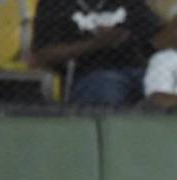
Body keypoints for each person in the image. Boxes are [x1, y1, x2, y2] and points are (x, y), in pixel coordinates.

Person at [30, 0, 161, 105]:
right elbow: (39, 57)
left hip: (138, 70)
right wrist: (96, 43)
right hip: (88, 74)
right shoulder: (55, 4)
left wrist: (175, 30)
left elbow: (156, 38)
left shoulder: (130, 3)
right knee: (108, 91)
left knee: (168, 88)